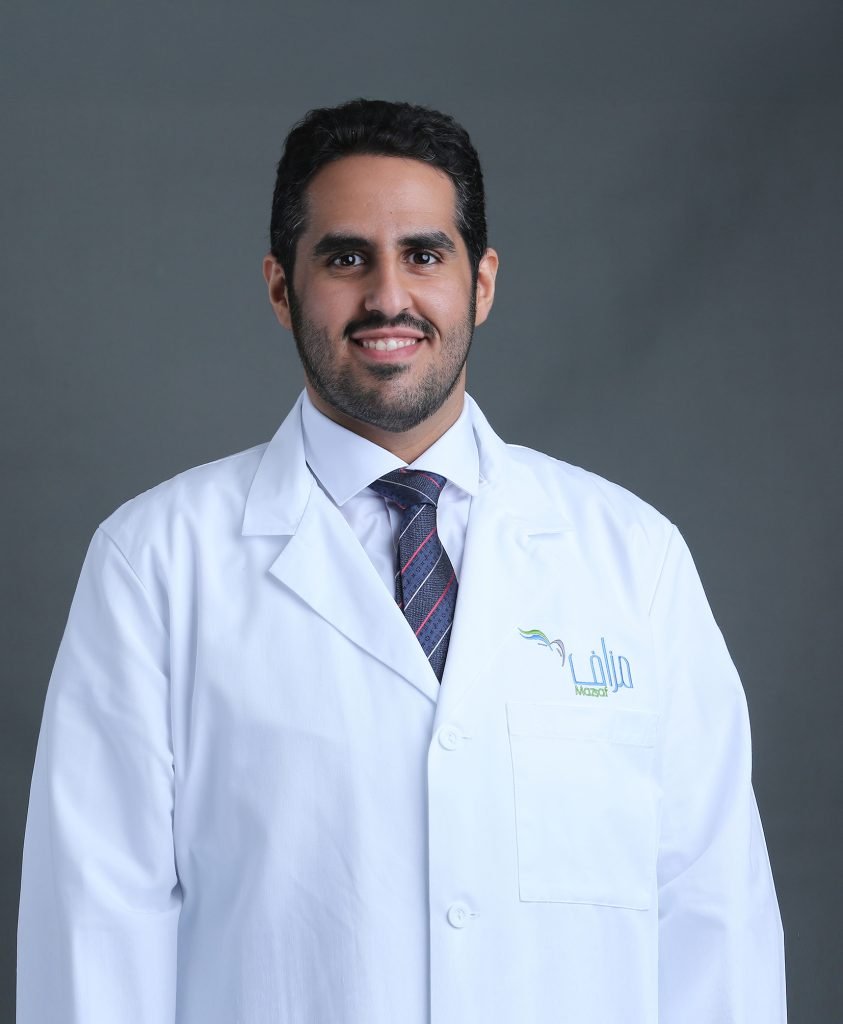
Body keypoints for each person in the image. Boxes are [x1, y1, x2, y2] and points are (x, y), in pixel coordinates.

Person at [17, 98, 786, 1023]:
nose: (388, 297)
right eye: (346, 259)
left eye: (424, 255)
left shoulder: (633, 559)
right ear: (280, 288)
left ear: (481, 283)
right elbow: (97, 937)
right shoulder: (155, 565)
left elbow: (713, 919)